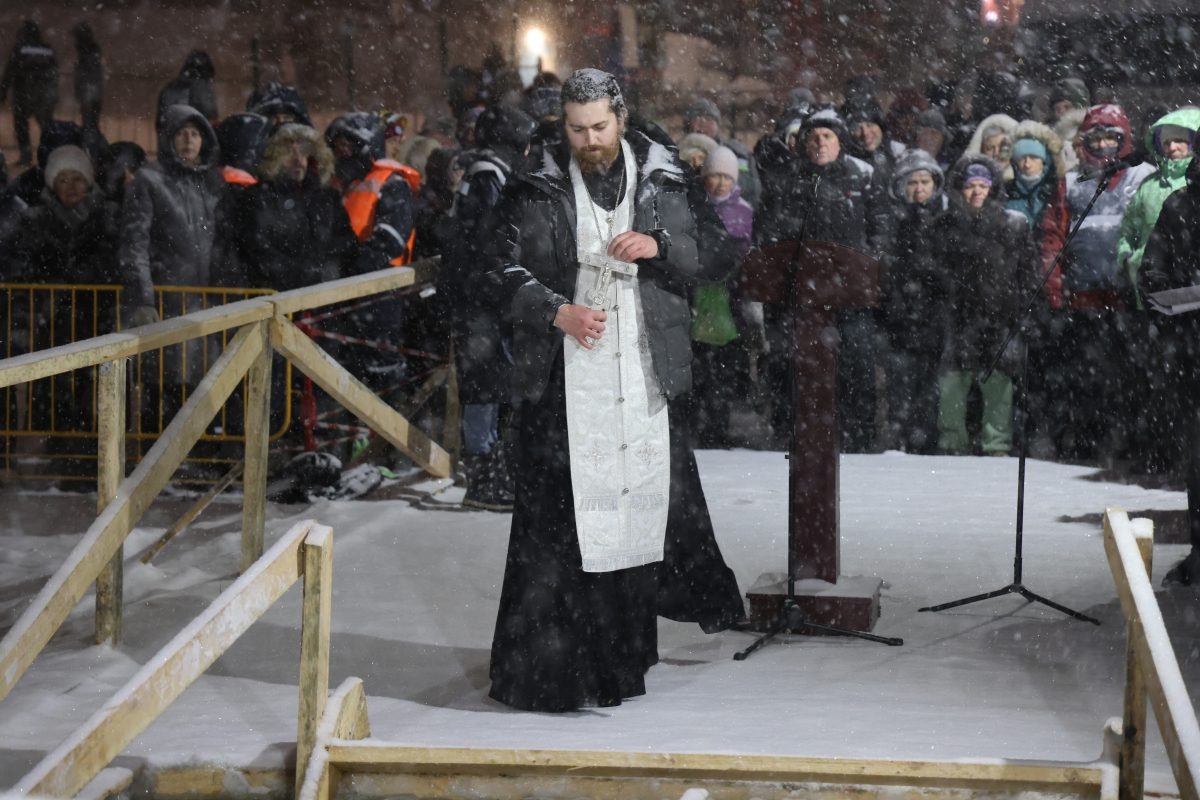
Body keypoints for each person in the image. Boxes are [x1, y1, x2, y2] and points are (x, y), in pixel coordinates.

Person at [486, 68, 744, 712]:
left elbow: (719, 252)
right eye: (577, 129)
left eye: (600, 126)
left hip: (643, 376)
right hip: (562, 381)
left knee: (634, 516)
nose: (590, 140)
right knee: (561, 528)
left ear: (622, 118)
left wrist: (658, 244)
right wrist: (554, 309)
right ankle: (551, 672)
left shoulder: (664, 176)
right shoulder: (535, 182)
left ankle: (621, 665)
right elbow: (489, 267)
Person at [756, 107, 891, 452]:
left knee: (856, 365)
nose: (820, 143)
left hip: (852, 295)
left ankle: (858, 437)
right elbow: (770, 230)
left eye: (827, 136)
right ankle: (794, 434)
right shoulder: (789, 178)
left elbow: (883, 226)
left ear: (840, 142)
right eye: (813, 137)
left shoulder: (864, 176)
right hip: (800, 295)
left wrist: (869, 260)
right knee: (794, 366)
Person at [1039, 104, 1155, 461]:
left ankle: (1132, 449)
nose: (1104, 146)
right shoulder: (1071, 182)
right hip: (1083, 300)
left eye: (1111, 138)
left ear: (1123, 140)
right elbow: (1052, 239)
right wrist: (1053, 288)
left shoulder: (1143, 177)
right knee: (1084, 383)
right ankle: (1084, 446)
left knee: (1131, 381)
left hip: (1129, 302)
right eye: (1097, 139)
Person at [439, 104, 536, 510]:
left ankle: (492, 471)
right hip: (482, 296)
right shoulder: (489, 173)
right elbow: (488, 237)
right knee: (486, 380)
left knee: (491, 379)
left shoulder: (485, 169)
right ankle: (483, 478)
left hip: (480, 293)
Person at [118, 104, 225, 429]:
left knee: (197, 389)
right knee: (159, 388)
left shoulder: (211, 183)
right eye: (181, 133)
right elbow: (134, 243)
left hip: (202, 305)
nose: (189, 140)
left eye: (195, 133)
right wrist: (143, 299)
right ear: (168, 139)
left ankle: (191, 462)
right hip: (165, 303)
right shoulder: (149, 181)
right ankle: (156, 468)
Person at [934, 155, 1037, 456]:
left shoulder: (1014, 225)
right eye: (970, 186)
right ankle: (951, 443)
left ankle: (997, 445)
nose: (977, 191)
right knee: (953, 383)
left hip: (1000, 317)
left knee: (999, 385)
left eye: (983, 185)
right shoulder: (943, 226)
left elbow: (1028, 275)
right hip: (957, 318)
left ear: (993, 189)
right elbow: (931, 272)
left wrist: (1025, 313)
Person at [1137, 155, 1200, 583]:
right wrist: (1164, 284)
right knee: (1197, 456)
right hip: (1192, 349)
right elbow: (1151, 269)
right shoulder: (1181, 204)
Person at [880, 148, 947, 453]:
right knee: (900, 385)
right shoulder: (891, 221)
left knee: (930, 388)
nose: (919, 189)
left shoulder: (945, 221)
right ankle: (900, 438)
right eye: (912, 183)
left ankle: (927, 440)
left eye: (924, 182)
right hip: (899, 319)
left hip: (935, 319)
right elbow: (885, 267)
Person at [691, 145, 754, 448]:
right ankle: (699, 424)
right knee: (700, 366)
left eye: (725, 177)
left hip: (730, 296)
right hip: (699, 294)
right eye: (713, 176)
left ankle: (720, 424)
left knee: (725, 368)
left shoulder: (744, 211)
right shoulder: (694, 208)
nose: (719, 183)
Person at [683, 97, 762, 208]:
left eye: (709, 119)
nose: (702, 124)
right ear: (688, 125)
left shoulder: (736, 152)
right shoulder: (674, 152)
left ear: (717, 125)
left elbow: (751, 188)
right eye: (697, 119)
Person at [0, 21, 58, 167]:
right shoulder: (47, 49)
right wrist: (53, 95)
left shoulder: (20, 49)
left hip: (23, 94)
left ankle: (26, 157)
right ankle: (50, 156)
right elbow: (54, 73)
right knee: (46, 127)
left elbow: (9, 72)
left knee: (21, 126)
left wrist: (3, 92)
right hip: (44, 95)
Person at [156, 51, 217, 131]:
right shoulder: (201, 86)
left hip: (170, 135)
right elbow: (210, 115)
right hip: (195, 136)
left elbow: (160, 122)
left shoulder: (171, 87)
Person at [73, 23, 104, 152]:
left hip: (89, 89)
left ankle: (89, 148)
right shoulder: (93, 49)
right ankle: (93, 147)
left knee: (89, 123)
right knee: (92, 123)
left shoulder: (86, 50)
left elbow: (85, 71)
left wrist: (80, 87)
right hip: (95, 88)